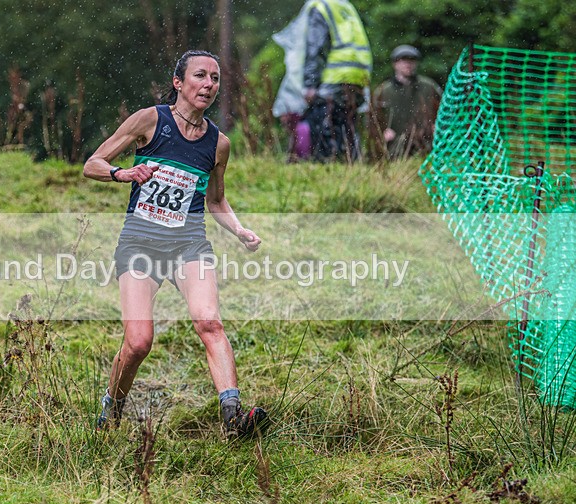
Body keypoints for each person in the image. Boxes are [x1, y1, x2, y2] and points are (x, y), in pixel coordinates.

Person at [83, 50, 268, 438]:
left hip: (188, 244)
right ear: (178, 82)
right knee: (138, 343)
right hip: (140, 244)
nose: (208, 85)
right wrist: (123, 173)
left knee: (210, 323)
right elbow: (92, 163)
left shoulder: (219, 144)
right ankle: (112, 406)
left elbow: (216, 201)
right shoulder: (150, 120)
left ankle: (233, 416)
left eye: (215, 79)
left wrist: (240, 230)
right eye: (200, 76)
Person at [272, 0, 372, 162]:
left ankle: (325, 165)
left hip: (336, 75)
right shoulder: (345, 6)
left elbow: (315, 47)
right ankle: (349, 164)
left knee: (322, 124)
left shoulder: (321, 7)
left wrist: (310, 85)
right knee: (346, 125)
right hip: (358, 76)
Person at [373, 45, 442, 159]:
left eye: (412, 60)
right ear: (395, 64)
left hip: (426, 148)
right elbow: (373, 119)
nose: (408, 64)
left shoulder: (429, 86)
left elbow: (445, 110)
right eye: (403, 60)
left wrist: (437, 126)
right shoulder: (383, 91)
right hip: (394, 150)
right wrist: (382, 132)